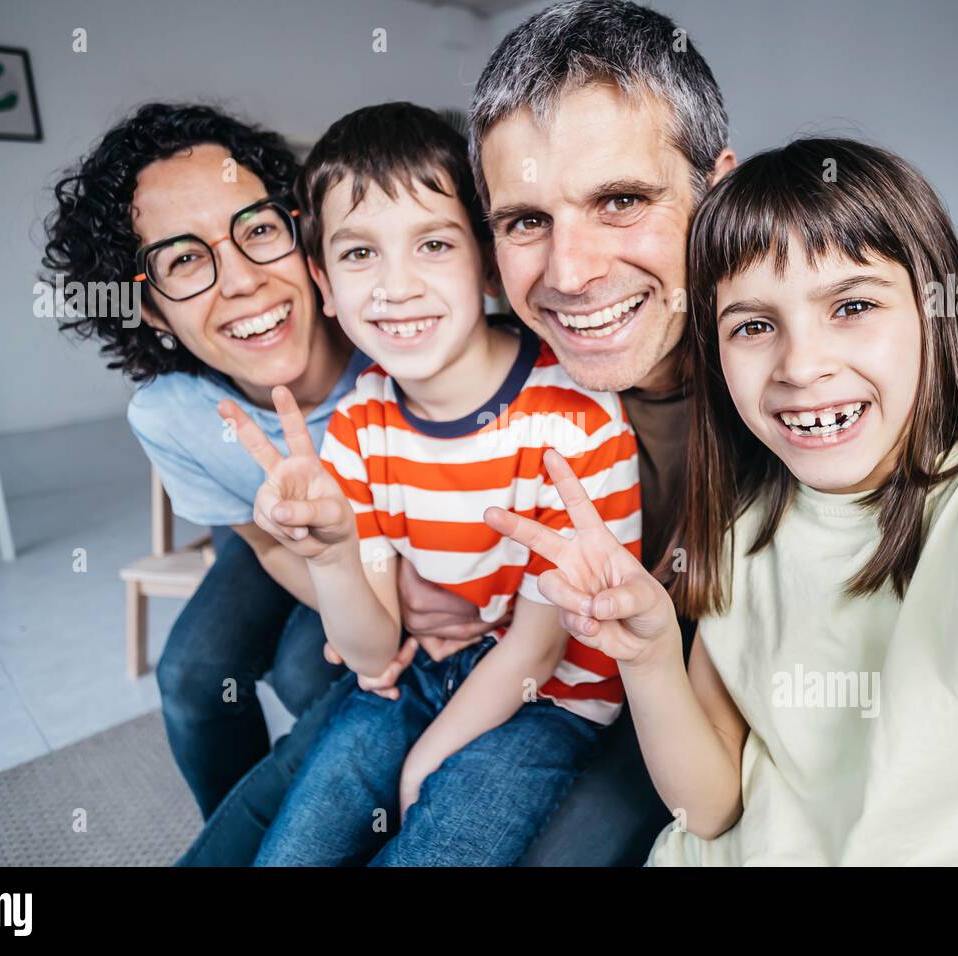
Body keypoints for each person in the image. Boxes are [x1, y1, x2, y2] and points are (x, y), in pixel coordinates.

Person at [184, 0, 958, 865]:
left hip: (660, 694)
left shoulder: (900, 330)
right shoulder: (506, 359)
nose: (570, 271)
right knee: (274, 803)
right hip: (575, 662)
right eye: (525, 220)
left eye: (622, 201)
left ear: (715, 188)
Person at [484, 137, 958, 864]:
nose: (802, 365)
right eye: (753, 326)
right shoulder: (738, 528)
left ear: (934, 314)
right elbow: (710, 808)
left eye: (851, 305)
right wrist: (653, 657)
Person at [220, 102, 642, 865]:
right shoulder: (358, 425)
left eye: (433, 243)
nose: (395, 287)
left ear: (485, 259)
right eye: (358, 256)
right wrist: (333, 554)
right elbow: (375, 650)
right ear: (322, 281)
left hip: (547, 700)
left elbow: (538, 654)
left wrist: (428, 759)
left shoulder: (578, 418)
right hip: (418, 673)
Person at [44, 103, 369, 816]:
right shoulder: (172, 415)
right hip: (265, 539)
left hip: (383, 548)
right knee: (192, 672)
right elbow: (264, 545)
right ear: (152, 310)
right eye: (186, 260)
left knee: (305, 673)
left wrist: (374, 617)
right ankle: (238, 829)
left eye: (256, 230)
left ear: (302, 232)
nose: (243, 280)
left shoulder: (400, 349)